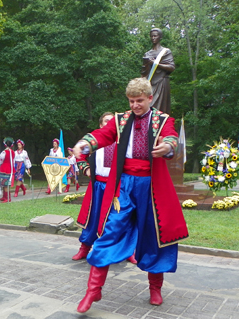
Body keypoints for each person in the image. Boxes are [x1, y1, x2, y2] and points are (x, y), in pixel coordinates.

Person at [72, 78, 188, 313]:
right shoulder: (120, 120)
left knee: (154, 236)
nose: (135, 105)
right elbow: (102, 135)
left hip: (151, 186)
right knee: (109, 230)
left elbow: (171, 137)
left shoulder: (162, 119)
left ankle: (155, 288)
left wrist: (167, 147)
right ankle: (93, 290)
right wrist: (83, 144)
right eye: (132, 101)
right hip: (123, 186)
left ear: (150, 98)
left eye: (139, 101)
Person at [72, 113, 136, 264]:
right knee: (92, 217)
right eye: (106, 121)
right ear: (101, 125)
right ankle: (84, 247)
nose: (109, 124)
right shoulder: (94, 141)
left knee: (121, 219)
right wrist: (86, 169)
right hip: (98, 186)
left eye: (112, 122)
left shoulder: (123, 142)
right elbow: (80, 155)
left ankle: (128, 252)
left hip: (117, 188)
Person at [141, 28, 175, 114]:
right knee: (149, 107)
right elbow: (144, 72)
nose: (153, 38)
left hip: (162, 83)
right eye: (151, 36)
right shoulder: (147, 54)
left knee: (161, 109)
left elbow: (171, 67)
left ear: (160, 37)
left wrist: (155, 64)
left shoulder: (166, 52)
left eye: (155, 36)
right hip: (150, 84)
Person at [0, 137, 15, 203]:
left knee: (4, 184)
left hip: (4, 168)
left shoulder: (4, 152)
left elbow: (1, 160)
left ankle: (7, 197)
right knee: (6, 184)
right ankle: (5, 196)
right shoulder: (13, 152)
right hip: (10, 168)